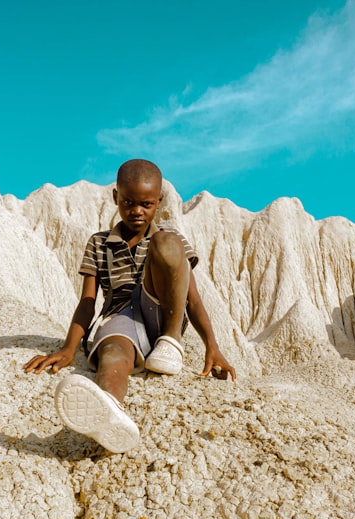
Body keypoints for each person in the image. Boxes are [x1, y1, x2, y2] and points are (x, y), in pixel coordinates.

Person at [24, 159, 236, 453]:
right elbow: (88, 300)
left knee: (166, 241)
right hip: (120, 316)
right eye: (128, 202)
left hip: (161, 313)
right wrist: (69, 349)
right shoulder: (99, 243)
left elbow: (192, 298)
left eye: (146, 204)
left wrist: (212, 346)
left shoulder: (172, 239)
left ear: (159, 202)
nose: (137, 211)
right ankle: (110, 412)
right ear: (115, 198)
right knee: (112, 356)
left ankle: (170, 344)